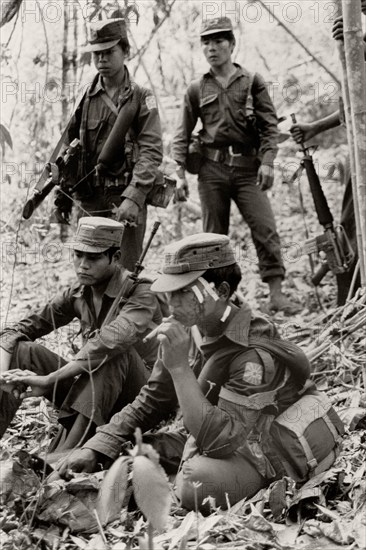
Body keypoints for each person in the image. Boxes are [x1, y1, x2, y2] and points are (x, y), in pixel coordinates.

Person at [57, 233, 315, 511]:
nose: (172, 303)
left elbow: (222, 443)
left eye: (184, 292)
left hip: (257, 449)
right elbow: (153, 398)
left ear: (223, 291)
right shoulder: (192, 326)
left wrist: (180, 368)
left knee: (195, 484)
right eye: (169, 292)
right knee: (117, 450)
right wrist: (99, 444)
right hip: (203, 433)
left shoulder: (253, 355)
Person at [171, 17, 299, 315]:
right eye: (206, 42)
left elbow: (269, 127)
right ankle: (217, 299)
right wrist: (179, 172)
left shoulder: (253, 82)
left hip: (247, 169)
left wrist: (268, 162)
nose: (212, 48)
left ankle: (276, 294)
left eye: (218, 41)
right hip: (211, 169)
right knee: (212, 239)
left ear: (232, 44)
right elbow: (182, 133)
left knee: (265, 227)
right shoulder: (196, 88)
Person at [0, 217, 162, 449]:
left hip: (140, 398)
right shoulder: (78, 293)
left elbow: (111, 342)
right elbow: (21, 328)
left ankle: (65, 458)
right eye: (78, 255)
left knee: (113, 353)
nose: (82, 265)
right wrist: (2, 372)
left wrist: (49, 380)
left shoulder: (141, 291)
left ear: (115, 258)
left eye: (94, 258)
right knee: (25, 351)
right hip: (95, 391)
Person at [55, 18, 163, 271]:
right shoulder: (84, 96)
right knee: (90, 271)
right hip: (89, 197)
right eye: (97, 54)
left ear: (126, 51)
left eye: (109, 52)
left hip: (123, 195)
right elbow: (68, 148)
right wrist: (63, 196)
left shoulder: (141, 97)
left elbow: (151, 150)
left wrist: (134, 198)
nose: (102, 59)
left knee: (125, 272)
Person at [290, 2, 366, 305]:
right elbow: (354, 102)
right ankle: (350, 303)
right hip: (361, 155)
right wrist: (315, 128)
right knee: (348, 229)